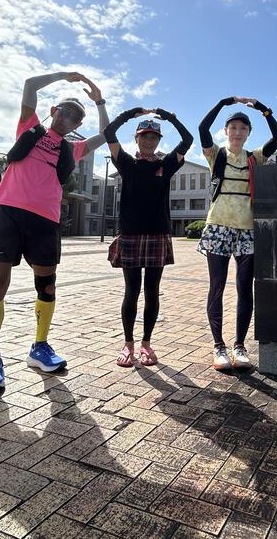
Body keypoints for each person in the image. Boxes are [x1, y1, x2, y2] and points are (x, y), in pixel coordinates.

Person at [0, 71, 108, 395]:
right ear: (53, 112)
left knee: (46, 285)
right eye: (66, 111)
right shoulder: (29, 128)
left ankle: (40, 347)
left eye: (77, 117)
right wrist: (65, 75)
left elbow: (106, 135)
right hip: (8, 211)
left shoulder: (71, 150)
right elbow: (29, 85)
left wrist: (99, 100)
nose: (71, 118)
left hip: (45, 221)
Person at [198, 96, 277, 371]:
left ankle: (239, 346)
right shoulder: (216, 154)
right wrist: (221, 104)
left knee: (245, 287)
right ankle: (218, 347)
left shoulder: (254, 157)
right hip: (219, 226)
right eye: (233, 127)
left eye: (243, 128)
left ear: (248, 133)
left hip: (247, 228)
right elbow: (202, 128)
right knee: (217, 286)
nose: (237, 132)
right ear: (226, 131)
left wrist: (263, 109)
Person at [103, 107, 193, 367]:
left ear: (158, 141)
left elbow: (188, 140)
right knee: (131, 291)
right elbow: (109, 132)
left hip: (157, 233)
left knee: (152, 291)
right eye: (144, 136)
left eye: (153, 137)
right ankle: (128, 344)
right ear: (137, 139)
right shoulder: (126, 163)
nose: (149, 141)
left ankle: (146, 344)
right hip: (130, 233)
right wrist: (130, 114)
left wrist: (172, 117)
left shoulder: (166, 165)